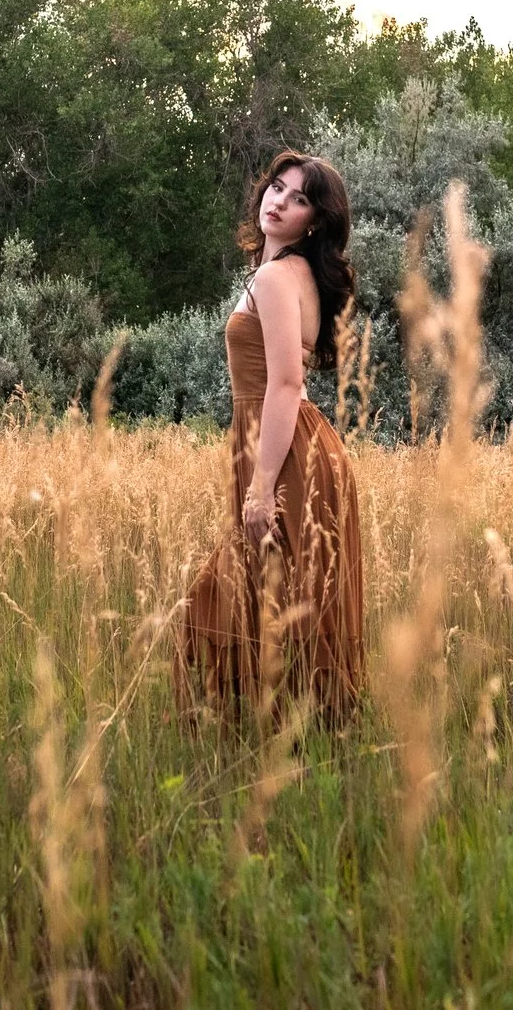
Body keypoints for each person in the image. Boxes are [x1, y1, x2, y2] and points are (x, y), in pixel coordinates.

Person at [177, 151, 366, 726]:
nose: (278, 201)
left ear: (315, 221)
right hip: (286, 444)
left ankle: (278, 736)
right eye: (276, 188)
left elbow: (286, 383)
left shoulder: (276, 277)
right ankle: (282, 736)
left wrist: (261, 487)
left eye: (299, 198)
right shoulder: (293, 274)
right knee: (279, 596)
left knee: (221, 599)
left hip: (283, 453)